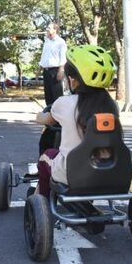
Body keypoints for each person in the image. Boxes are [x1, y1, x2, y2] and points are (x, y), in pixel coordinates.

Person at [34, 45, 118, 197]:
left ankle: (40, 200)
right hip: (110, 172)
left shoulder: (64, 103)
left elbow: (46, 120)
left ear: (72, 81)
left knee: (46, 156)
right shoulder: (112, 106)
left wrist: (39, 116)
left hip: (73, 174)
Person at [39, 22, 67, 106]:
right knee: (48, 95)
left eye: (49, 28)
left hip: (55, 71)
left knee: (57, 95)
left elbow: (63, 57)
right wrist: (39, 69)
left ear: (55, 30)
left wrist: (61, 70)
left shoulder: (60, 42)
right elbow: (43, 57)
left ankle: (58, 116)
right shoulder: (46, 42)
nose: (47, 29)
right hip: (46, 71)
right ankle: (49, 114)